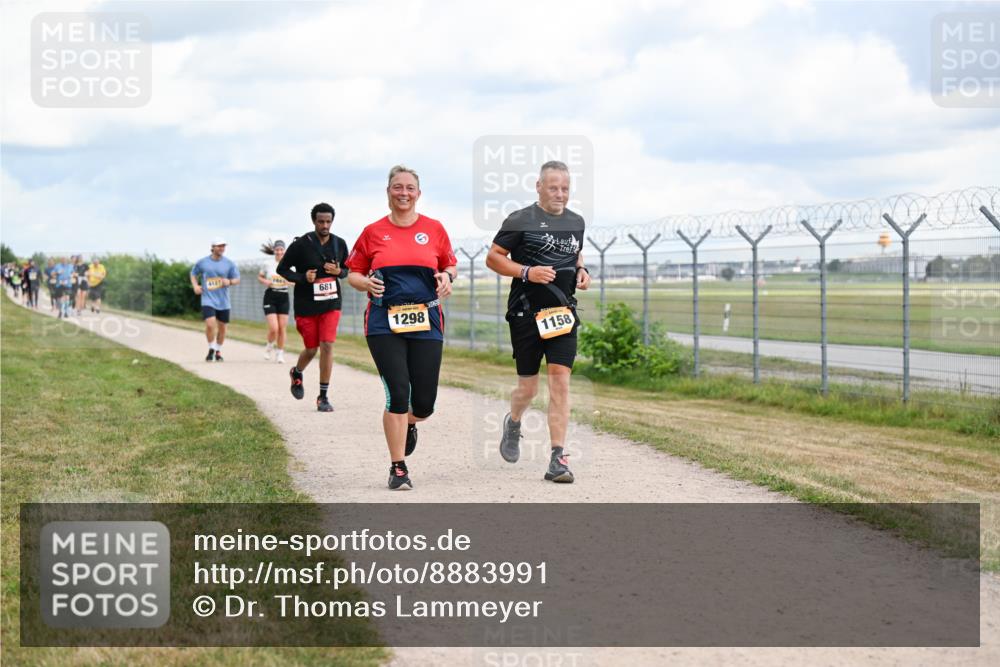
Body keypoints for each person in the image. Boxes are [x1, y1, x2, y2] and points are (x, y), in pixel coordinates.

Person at [346, 165, 457, 490]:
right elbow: (353, 273)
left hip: (427, 319)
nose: (403, 193)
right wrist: (364, 282)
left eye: (409, 187)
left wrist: (446, 276)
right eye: (397, 187)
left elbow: (450, 264)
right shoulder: (372, 232)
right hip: (383, 320)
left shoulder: (434, 229)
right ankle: (398, 467)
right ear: (388, 192)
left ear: (418, 193)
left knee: (423, 403)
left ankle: (409, 423)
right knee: (397, 392)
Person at [484, 160, 591, 484]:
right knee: (528, 389)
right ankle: (514, 421)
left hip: (562, 314)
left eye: (565, 188)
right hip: (526, 315)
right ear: (539, 187)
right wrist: (526, 272)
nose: (560, 194)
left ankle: (558, 458)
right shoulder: (520, 220)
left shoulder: (576, 221)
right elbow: (493, 257)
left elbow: (575, 253)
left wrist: (582, 270)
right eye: (554, 187)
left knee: (560, 382)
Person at [277, 204, 350, 412]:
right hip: (306, 305)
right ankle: (297, 372)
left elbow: (348, 269)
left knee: (327, 345)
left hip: (331, 303)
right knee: (311, 349)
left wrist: (338, 272)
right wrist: (302, 277)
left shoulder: (339, 243)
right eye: (321, 222)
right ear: (314, 221)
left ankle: (323, 396)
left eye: (328, 221)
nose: (325, 225)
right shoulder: (301, 244)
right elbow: (282, 269)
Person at [190, 238, 241, 361]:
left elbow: (237, 279)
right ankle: (211, 348)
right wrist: (195, 286)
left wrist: (229, 281)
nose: (221, 248)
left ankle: (218, 351)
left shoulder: (229, 263)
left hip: (223, 301)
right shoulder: (203, 262)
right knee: (210, 324)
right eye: (219, 246)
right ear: (212, 247)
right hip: (208, 299)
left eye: (223, 246)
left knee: (222, 328)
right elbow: (193, 273)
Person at [257, 239, 290, 364]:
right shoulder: (267, 263)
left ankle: (280, 353)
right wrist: (266, 281)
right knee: (274, 328)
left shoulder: (289, 264)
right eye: (277, 249)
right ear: (274, 250)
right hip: (270, 296)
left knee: (282, 328)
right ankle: (269, 346)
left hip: (283, 296)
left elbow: (295, 280)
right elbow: (260, 277)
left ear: (284, 251)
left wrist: (289, 282)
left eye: (281, 249)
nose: (279, 252)